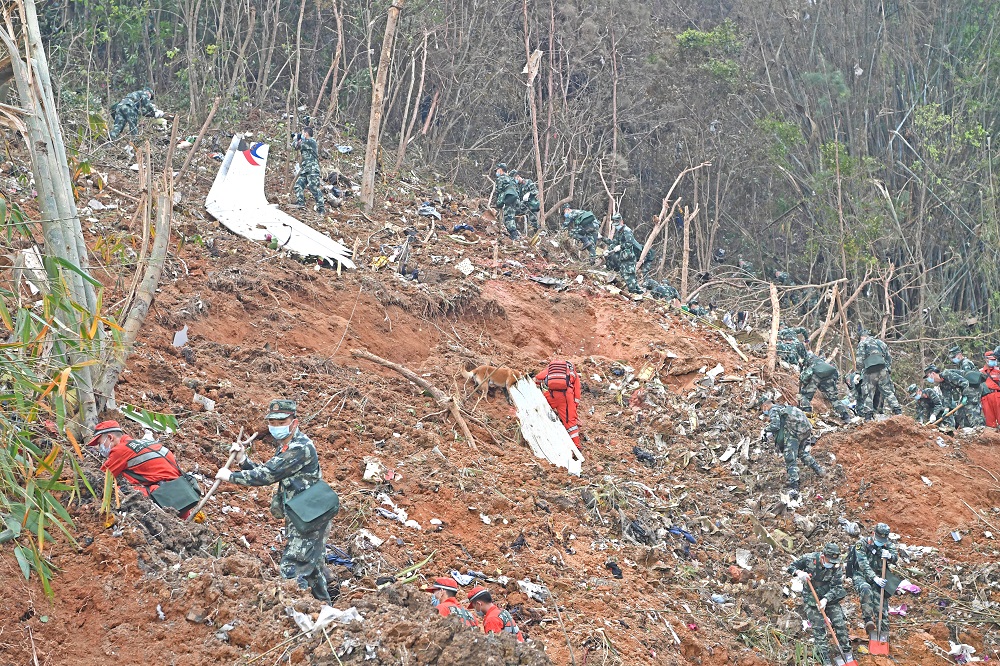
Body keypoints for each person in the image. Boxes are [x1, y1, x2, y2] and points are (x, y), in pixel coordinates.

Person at [214, 399, 333, 600]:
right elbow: (271, 473)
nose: (276, 427)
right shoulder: (286, 446)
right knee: (312, 570)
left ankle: (296, 612)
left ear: (294, 422)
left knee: (292, 568)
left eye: (281, 422)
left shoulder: (299, 448)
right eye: (273, 423)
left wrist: (230, 476)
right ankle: (325, 612)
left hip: (311, 516)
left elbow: (267, 475)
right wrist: (243, 461)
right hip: (303, 513)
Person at [87, 420, 190, 516]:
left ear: (110, 437)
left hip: (164, 496)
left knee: (117, 492)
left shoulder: (121, 450)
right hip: (183, 497)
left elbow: (101, 479)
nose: (99, 448)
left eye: (100, 443)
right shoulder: (145, 444)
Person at [787, 543, 852, 666]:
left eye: (834, 561)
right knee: (819, 628)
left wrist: (826, 599)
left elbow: (837, 587)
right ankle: (825, 658)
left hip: (830, 598)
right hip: (812, 599)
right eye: (830, 560)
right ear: (823, 556)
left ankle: (847, 654)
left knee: (840, 624)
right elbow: (791, 566)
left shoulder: (836, 566)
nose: (832, 564)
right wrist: (799, 572)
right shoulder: (809, 559)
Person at [762, 402, 825, 498]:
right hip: (805, 430)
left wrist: (765, 430)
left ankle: (794, 485)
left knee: (790, 458)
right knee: (802, 453)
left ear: (765, 406)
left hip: (794, 434)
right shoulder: (783, 408)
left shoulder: (773, 410)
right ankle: (819, 470)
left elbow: (775, 425)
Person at [849, 522, 898, 639]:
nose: (881, 541)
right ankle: (868, 619)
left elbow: (896, 557)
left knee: (882, 608)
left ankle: (883, 638)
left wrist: (890, 556)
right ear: (873, 533)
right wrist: (874, 577)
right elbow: (863, 564)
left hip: (880, 577)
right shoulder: (862, 544)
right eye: (879, 538)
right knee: (866, 589)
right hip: (862, 576)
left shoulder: (887, 545)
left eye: (884, 538)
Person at [535, 359, 582, 448]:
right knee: (570, 423)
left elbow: (538, 378)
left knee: (540, 413)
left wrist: (538, 384)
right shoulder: (572, 372)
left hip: (550, 395)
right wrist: (574, 407)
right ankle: (576, 447)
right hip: (566, 397)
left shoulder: (551, 369)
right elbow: (577, 393)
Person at [855, 330, 902, 419]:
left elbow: (859, 359)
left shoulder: (862, 343)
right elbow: (888, 357)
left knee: (868, 392)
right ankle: (897, 411)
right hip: (882, 369)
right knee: (888, 391)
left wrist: (858, 372)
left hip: (870, 371)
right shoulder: (880, 343)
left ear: (862, 337)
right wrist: (887, 369)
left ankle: (868, 416)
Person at [925, 364, 983, 428]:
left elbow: (964, 383)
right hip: (965, 391)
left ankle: (979, 427)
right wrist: (946, 410)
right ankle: (966, 429)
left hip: (972, 388)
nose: (928, 379)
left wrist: (965, 396)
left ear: (933, 373)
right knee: (959, 413)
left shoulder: (947, 374)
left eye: (928, 376)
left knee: (970, 408)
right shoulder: (942, 384)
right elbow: (947, 397)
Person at [798, 352, 851, 421]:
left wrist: (805, 386)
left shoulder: (807, 360)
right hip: (828, 375)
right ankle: (846, 417)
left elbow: (805, 377)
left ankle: (808, 415)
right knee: (834, 399)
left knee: (805, 396)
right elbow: (835, 377)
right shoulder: (821, 361)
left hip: (816, 375)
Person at [605, 213, 644, 293]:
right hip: (623, 258)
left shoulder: (627, 231)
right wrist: (608, 251)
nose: (616, 226)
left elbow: (629, 243)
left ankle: (635, 295)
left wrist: (621, 246)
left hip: (629, 258)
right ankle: (638, 294)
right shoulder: (619, 232)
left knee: (629, 277)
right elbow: (614, 243)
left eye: (617, 224)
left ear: (621, 221)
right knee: (628, 277)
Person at [293, 127, 325, 214]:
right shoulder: (303, 142)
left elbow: (299, 144)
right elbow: (295, 147)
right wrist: (296, 138)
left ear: (306, 133)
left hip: (312, 169)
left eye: (303, 133)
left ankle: (321, 208)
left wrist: (297, 138)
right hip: (305, 169)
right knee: (298, 185)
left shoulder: (311, 141)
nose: (302, 134)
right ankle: (301, 203)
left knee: (313, 187)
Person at [493, 163, 520, 239]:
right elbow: (517, 189)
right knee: (512, 216)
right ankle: (515, 233)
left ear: (500, 170)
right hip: (516, 199)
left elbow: (500, 191)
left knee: (508, 217)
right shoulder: (510, 179)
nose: (496, 172)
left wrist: (499, 203)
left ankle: (514, 235)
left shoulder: (501, 178)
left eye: (497, 170)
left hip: (510, 198)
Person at [981, 351, 1000, 428]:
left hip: (997, 395)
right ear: (986, 360)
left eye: (995, 360)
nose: (994, 361)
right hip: (986, 397)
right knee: (990, 421)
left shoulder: (998, 371)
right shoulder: (981, 372)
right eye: (992, 360)